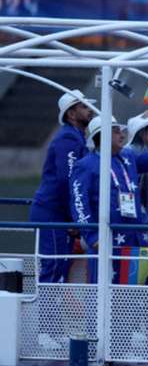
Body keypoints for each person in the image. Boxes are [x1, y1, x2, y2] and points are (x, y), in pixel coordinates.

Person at [69, 112, 148, 283]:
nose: (122, 135)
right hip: (106, 241)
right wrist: (93, 238)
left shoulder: (127, 157)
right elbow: (79, 204)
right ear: (102, 135)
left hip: (134, 238)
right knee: (104, 291)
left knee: (133, 292)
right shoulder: (85, 166)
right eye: (116, 131)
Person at [31, 90, 95, 283]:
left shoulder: (76, 137)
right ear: (71, 114)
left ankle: (49, 311)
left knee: (61, 265)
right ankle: (46, 313)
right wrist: (73, 218)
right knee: (54, 265)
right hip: (53, 213)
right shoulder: (68, 139)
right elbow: (65, 179)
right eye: (84, 106)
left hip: (59, 212)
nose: (90, 110)